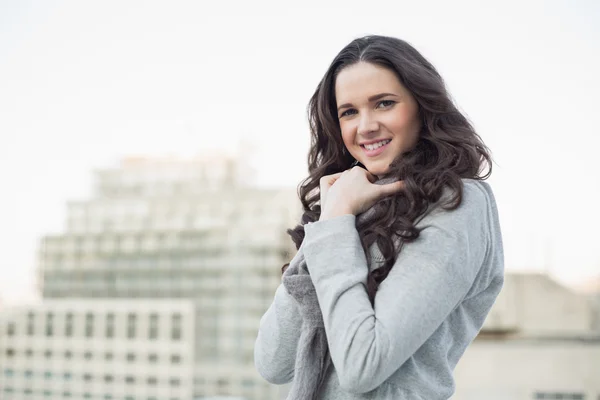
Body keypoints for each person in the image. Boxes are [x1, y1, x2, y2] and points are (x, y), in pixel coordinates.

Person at [253, 34, 504, 400]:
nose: (365, 126)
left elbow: (362, 365)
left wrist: (336, 222)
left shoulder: (459, 203)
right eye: (349, 112)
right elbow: (273, 361)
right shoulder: (351, 207)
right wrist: (330, 222)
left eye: (384, 104)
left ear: (422, 106)